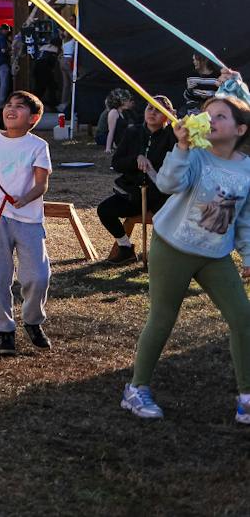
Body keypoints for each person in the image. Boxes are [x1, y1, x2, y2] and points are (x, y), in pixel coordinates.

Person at [122, 94, 250, 422]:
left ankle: (246, 398)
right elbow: (167, 183)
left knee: (243, 319)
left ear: (240, 129)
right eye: (207, 115)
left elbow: (244, 220)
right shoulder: (194, 155)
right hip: (173, 247)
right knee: (163, 318)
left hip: (215, 255)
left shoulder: (247, 170)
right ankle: (136, 389)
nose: (211, 120)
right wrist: (180, 148)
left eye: (220, 116)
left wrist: (248, 256)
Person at [0, 91, 53, 356]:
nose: (11, 110)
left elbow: (41, 184)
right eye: (8, 105)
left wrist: (24, 198)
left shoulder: (38, 146)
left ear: (34, 118)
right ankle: (4, 330)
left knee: (38, 276)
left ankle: (32, 321)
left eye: (20, 107)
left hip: (28, 219)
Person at [96, 95, 176, 263]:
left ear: (168, 115)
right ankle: (125, 248)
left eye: (158, 110)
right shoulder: (133, 132)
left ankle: (164, 257)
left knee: (168, 221)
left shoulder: (173, 136)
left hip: (162, 194)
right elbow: (116, 163)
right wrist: (136, 159)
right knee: (105, 210)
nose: (152, 113)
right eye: (150, 108)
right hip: (133, 192)